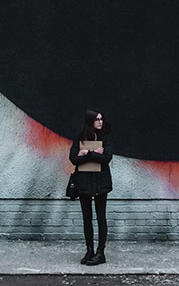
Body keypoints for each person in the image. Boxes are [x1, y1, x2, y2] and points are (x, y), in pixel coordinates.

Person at [69, 109, 112, 265]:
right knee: (87, 218)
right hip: (85, 182)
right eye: (97, 119)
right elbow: (73, 158)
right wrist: (93, 153)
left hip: (101, 183)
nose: (100, 122)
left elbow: (107, 157)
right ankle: (89, 250)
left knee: (101, 217)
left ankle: (101, 253)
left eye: (101, 119)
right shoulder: (80, 137)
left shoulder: (105, 137)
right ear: (90, 121)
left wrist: (87, 153)